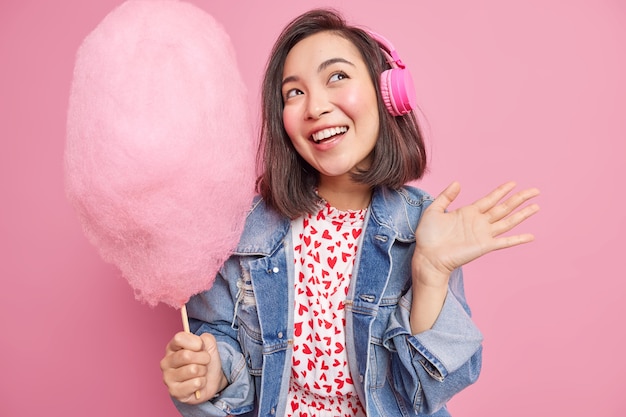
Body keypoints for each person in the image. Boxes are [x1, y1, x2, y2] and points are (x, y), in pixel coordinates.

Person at [160, 7, 540, 417]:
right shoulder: (240, 229)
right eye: (294, 92)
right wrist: (211, 370)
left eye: (337, 76)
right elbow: (219, 344)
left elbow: (422, 396)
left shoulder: (424, 228)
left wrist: (430, 274)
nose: (315, 107)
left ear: (388, 94)